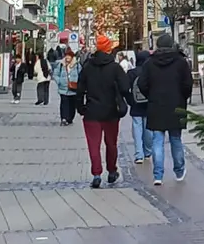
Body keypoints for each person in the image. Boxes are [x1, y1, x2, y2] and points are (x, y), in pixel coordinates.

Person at [136, 30, 193, 185]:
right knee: (176, 139)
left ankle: (158, 175)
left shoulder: (149, 63)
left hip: (156, 105)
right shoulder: (181, 62)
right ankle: (179, 171)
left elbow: (142, 84)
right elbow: (188, 83)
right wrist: (183, 97)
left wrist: (150, 95)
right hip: (177, 105)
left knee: (157, 140)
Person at [76, 35, 128, 188]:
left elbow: (80, 89)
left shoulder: (87, 67)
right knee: (111, 143)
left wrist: (81, 107)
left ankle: (96, 174)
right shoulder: (115, 68)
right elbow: (125, 87)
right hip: (111, 111)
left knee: (94, 145)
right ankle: (112, 171)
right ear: (108, 48)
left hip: (92, 112)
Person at [126, 45, 151, 165]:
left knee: (137, 129)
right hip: (148, 105)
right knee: (148, 129)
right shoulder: (150, 72)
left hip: (135, 105)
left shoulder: (131, 73)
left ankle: (138, 154)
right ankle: (147, 152)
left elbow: (126, 89)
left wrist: (130, 101)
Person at [52, 47, 80, 125]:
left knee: (72, 105)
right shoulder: (61, 65)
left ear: (72, 57)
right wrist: (59, 81)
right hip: (63, 88)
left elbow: (81, 75)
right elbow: (55, 74)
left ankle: (70, 118)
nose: (67, 57)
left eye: (69, 56)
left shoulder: (77, 65)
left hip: (73, 89)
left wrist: (78, 83)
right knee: (64, 103)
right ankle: (64, 118)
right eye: (66, 56)